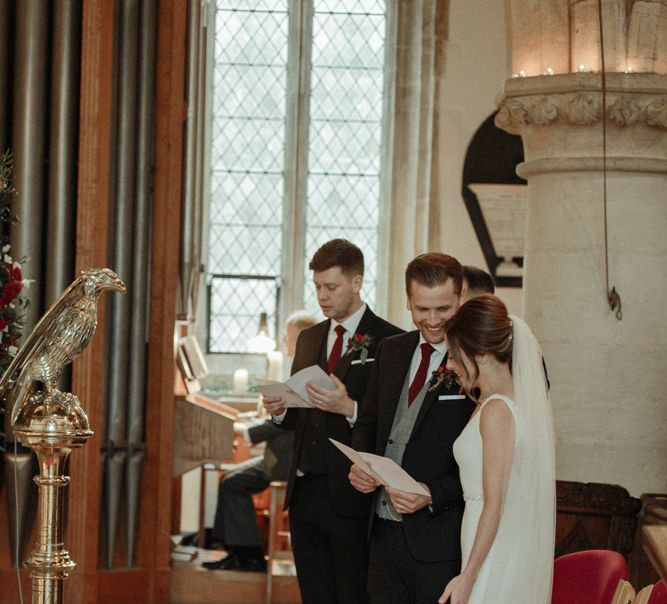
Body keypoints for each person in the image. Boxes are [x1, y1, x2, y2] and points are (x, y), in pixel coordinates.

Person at [263, 239, 403, 604]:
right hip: (304, 489)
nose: (322, 297)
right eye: (317, 287)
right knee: (314, 593)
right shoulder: (309, 338)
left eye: (331, 287)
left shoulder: (390, 340)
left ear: (356, 282)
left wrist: (350, 408)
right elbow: (297, 417)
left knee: (351, 593)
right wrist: (280, 409)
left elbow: (392, 423)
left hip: (351, 493)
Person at [349, 252, 476, 604]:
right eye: (422, 309)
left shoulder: (476, 363)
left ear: (460, 297)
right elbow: (368, 422)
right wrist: (360, 464)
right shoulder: (391, 350)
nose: (433, 321)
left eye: (443, 309)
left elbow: (485, 461)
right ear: (408, 300)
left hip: (440, 541)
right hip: (381, 533)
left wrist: (433, 493)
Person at [438, 294, 555, 604]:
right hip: (485, 536)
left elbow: (494, 503)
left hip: (493, 546)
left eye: (454, 354)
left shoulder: (497, 411)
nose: (450, 365)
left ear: (483, 354)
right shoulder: (493, 404)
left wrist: (468, 577)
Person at [202, 311, 317, 572]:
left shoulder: (308, 371)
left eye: (288, 335)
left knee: (233, 485)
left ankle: (248, 555)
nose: (285, 340)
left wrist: (245, 432)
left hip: (286, 461)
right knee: (229, 480)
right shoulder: (301, 367)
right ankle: (231, 547)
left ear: (300, 337)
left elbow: (286, 421)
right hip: (279, 454)